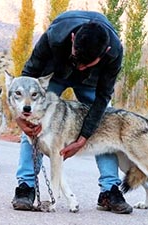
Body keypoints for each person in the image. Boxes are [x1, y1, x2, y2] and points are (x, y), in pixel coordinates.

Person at [12, 10, 132, 214]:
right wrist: (20, 117)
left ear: (105, 52)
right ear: (73, 39)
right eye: (78, 59)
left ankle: (109, 190)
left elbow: (102, 99)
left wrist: (83, 137)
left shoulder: (115, 52)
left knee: (106, 123)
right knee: (33, 123)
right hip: (54, 76)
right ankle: (26, 186)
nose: (81, 67)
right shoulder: (56, 34)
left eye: (88, 63)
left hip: (92, 84)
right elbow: (26, 77)